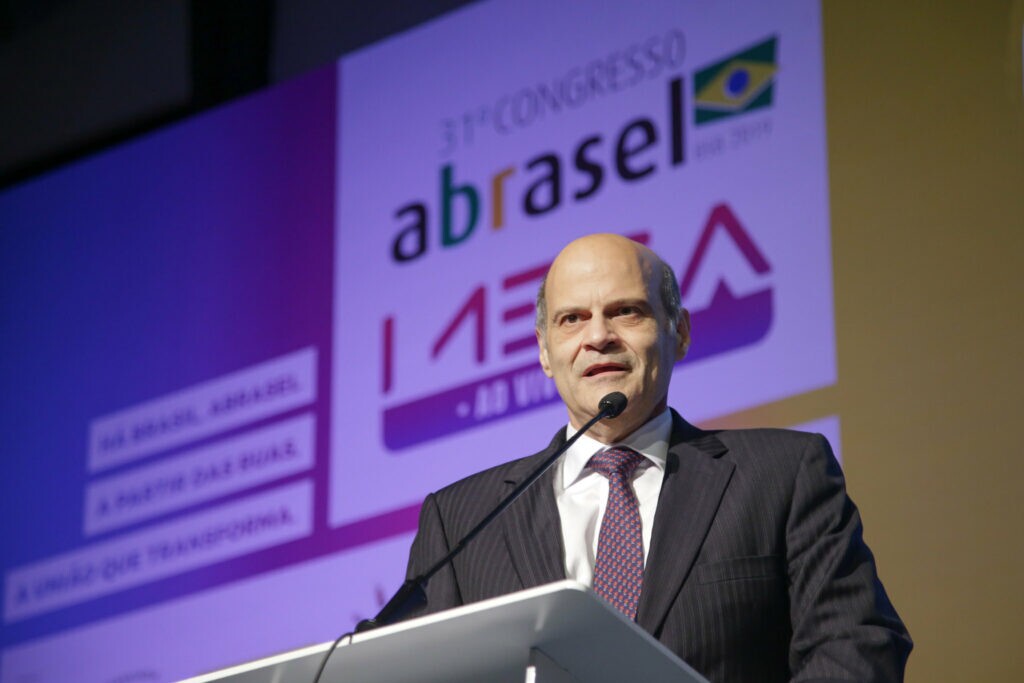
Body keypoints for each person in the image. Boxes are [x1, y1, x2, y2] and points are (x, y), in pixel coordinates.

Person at [404, 234, 911, 682]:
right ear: (544, 350)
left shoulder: (783, 474)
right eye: (572, 319)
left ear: (680, 331)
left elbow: (857, 648)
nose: (597, 336)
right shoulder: (460, 521)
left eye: (627, 311)